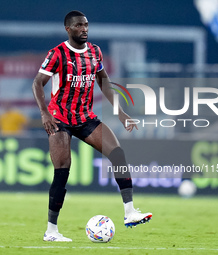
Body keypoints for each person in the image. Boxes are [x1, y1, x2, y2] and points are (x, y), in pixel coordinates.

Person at [32, 10, 152, 242]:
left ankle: (129, 213)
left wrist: (120, 112)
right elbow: (38, 82)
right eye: (78, 26)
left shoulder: (95, 52)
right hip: (60, 119)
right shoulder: (57, 54)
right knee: (62, 171)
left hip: (85, 117)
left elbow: (104, 81)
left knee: (117, 153)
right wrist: (44, 113)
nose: (84, 29)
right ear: (68, 29)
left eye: (86, 25)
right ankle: (51, 231)